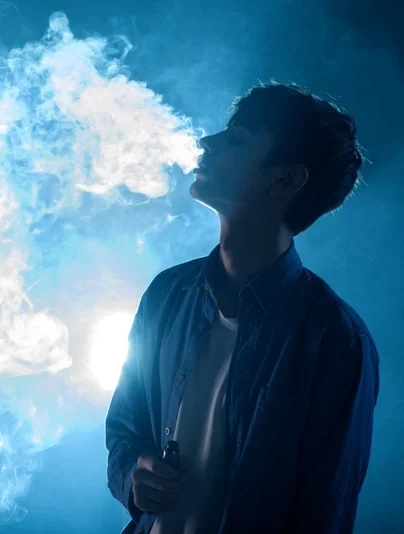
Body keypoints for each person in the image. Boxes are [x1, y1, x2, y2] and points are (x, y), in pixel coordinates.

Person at [105, 82, 380, 534]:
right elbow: (124, 427)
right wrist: (134, 477)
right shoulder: (166, 294)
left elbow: (324, 510)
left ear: (285, 180)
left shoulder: (335, 339)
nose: (206, 142)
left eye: (235, 139)